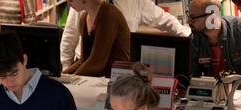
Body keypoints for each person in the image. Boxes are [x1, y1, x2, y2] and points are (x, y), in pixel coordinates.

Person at [61, 0, 191, 70]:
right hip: (83, 66)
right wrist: (65, 69)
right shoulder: (82, 4)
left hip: (118, 68)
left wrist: (192, 37)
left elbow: (167, 21)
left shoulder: (136, 2)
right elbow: (69, 36)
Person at [188, 0, 241, 95]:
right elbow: (192, 75)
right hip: (215, 95)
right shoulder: (194, 40)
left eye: (193, 18)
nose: (188, 21)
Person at [62, 0, 131, 78]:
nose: (68, 4)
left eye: (70, 0)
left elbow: (97, 62)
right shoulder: (84, 18)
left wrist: (70, 80)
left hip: (116, 80)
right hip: (98, 78)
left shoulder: (109, 14)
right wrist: (62, 76)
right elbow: (83, 61)